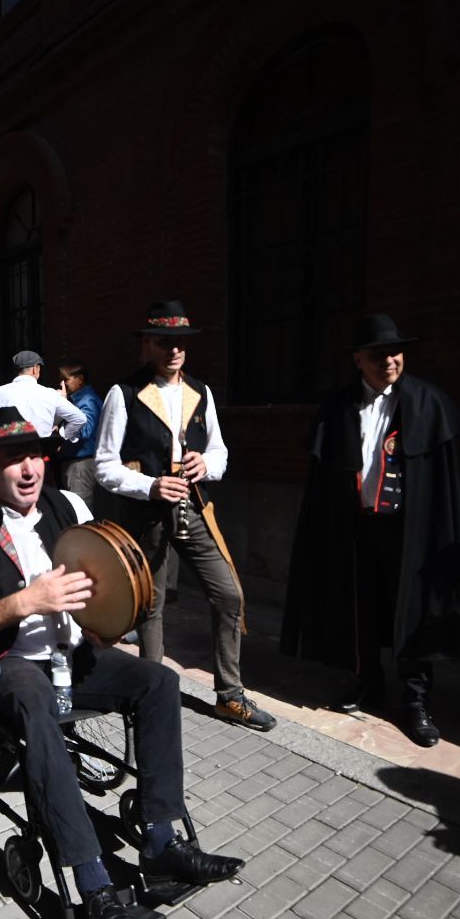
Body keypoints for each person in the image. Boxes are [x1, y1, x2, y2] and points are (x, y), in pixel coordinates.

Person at [0, 408, 246, 919]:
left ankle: (161, 842)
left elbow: (105, 584)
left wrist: (110, 614)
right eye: (12, 461)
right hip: (9, 662)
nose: (28, 470)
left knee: (157, 684)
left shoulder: (68, 507)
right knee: (36, 704)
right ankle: (93, 884)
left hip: (76, 657)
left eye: (35, 456)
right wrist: (26, 601)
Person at [281, 314, 460, 748]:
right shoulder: (338, 407)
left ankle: (416, 700)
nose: (389, 360)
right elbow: (324, 478)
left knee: (413, 615)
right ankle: (369, 682)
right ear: (358, 359)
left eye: (396, 352)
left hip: (411, 532)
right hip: (356, 528)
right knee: (360, 609)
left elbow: (446, 482)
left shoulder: (428, 403)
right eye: (378, 353)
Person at [94, 300, 276, 732]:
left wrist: (206, 466)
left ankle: (229, 696)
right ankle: (151, 692)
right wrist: (150, 485)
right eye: (165, 342)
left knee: (229, 594)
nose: (174, 351)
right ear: (148, 345)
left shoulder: (201, 391)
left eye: (181, 343)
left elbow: (220, 451)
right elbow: (104, 465)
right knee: (151, 606)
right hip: (146, 515)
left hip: (193, 507)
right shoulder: (123, 394)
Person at [0, 350, 87, 442]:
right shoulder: (50, 394)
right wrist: (61, 436)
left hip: (11, 453)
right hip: (40, 454)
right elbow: (80, 418)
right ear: (35, 369)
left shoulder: (0, 392)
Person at [54, 360, 102, 503]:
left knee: (81, 513)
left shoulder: (88, 401)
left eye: (66, 379)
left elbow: (85, 430)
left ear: (80, 379)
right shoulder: (80, 400)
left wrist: (65, 404)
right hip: (76, 464)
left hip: (81, 465)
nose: (62, 384)